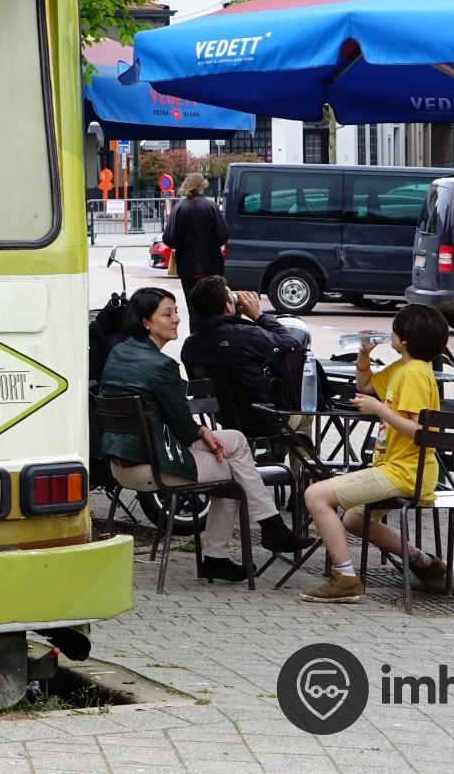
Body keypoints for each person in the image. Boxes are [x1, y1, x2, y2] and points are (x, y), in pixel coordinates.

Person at [97, 287, 316, 582]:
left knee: (235, 440)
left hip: (120, 463)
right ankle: (231, 549)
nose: (176, 319)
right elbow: (184, 429)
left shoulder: (120, 353)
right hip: (154, 466)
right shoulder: (161, 367)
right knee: (236, 469)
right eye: (167, 314)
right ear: (146, 322)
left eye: (176, 311)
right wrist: (199, 431)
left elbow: (180, 425)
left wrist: (202, 431)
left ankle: (267, 530)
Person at [299, 303, 451, 603]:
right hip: (396, 468)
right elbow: (366, 385)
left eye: (394, 330)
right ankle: (422, 561)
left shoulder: (415, 375)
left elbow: (420, 432)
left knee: (316, 495)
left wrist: (379, 409)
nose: (389, 333)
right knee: (353, 521)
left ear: (404, 339)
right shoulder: (404, 368)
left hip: (405, 471)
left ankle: (345, 577)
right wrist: (364, 355)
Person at [179, 275, 308, 439]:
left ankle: (273, 453)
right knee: (305, 416)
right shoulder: (248, 335)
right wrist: (259, 316)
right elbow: (292, 346)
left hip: (224, 420)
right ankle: (296, 456)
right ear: (228, 306)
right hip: (264, 419)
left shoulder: (190, 346)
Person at [163, 172, 228, 311]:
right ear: (202, 186)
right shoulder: (211, 206)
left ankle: (195, 325)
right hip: (211, 266)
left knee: (193, 309)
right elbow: (223, 235)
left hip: (187, 267)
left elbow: (169, 239)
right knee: (214, 308)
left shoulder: (179, 208)